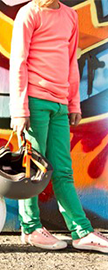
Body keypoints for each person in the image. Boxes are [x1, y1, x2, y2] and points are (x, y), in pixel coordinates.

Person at [9, 0, 108, 253]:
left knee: (63, 170)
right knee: (33, 168)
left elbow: (71, 61)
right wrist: (20, 110)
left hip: (60, 104)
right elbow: (18, 63)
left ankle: (81, 232)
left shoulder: (70, 16)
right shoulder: (28, 14)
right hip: (35, 102)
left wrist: (73, 103)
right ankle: (30, 228)